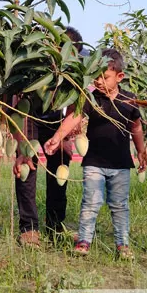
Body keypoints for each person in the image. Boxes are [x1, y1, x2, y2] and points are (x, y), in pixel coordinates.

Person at [43, 48, 147, 259]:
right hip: (94, 162)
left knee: (119, 205)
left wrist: (141, 151)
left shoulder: (129, 101)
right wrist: (57, 137)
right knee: (91, 202)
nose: (100, 81)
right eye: (96, 76)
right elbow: (74, 116)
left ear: (120, 77)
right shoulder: (91, 98)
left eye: (106, 77)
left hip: (120, 164)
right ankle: (84, 241)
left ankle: (123, 245)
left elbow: (136, 127)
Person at [12, 26, 89, 248]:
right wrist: (21, 145)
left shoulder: (75, 74)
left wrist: (59, 135)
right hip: (27, 116)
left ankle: (56, 226)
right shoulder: (31, 65)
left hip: (55, 119)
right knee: (27, 167)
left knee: (61, 163)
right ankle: (29, 228)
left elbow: (77, 108)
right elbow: (14, 107)